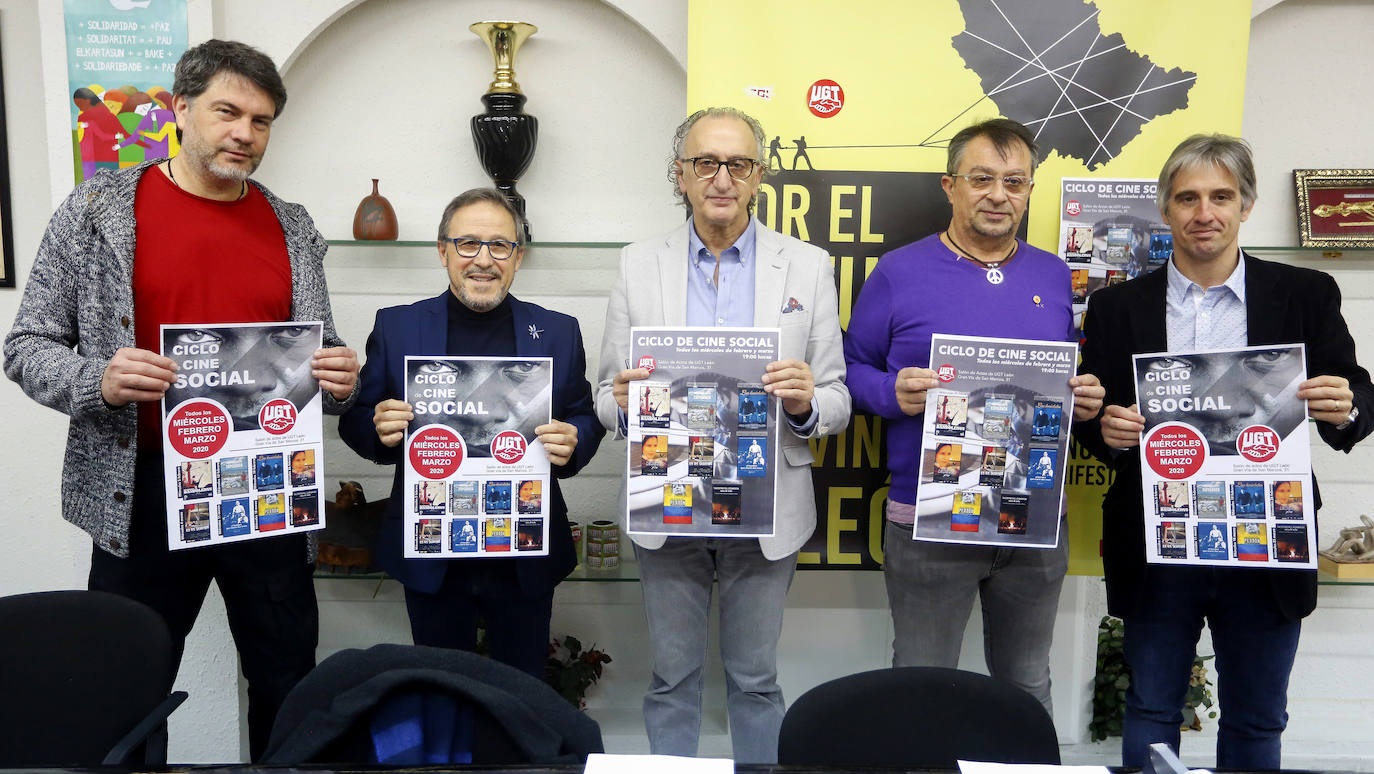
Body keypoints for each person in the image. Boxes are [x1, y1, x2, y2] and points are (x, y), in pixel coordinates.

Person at [4, 40, 360, 760]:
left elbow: (318, 352)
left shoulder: (292, 225)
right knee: (127, 685)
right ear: (180, 109)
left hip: (265, 486)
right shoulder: (96, 211)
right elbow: (25, 345)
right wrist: (95, 380)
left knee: (288, 678)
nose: (244, 135)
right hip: (137, 491)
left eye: (261, 122)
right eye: (228, 112)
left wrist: (337, 380)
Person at [1075, 133, 1374, 768]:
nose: (1203, 212)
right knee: (1152, 711)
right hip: (1158, 542)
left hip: (1266, 540)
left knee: (1258, 720)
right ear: (1164, 209)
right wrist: (1105, 428)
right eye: (1187, 197)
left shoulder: (1305, 293)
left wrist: (1345, 406)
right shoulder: (1114, 307)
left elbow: (1356, 389)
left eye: (1220, 196)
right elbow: (1091, 415)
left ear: (1246, 205)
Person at [595, 107, 850, 763]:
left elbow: (837, 398)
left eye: (737, 164)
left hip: (766, 507)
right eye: (706, 163)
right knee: (672, 680)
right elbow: (602, 397)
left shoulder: (808, 266)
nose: (721, 179)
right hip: (668, 504)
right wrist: (622, 405)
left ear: (758, 176)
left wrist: (802, 405)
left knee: (756, 682)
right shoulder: (636, 265)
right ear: (681, 175)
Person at [843, 118, 1104, 715]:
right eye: (982, 178)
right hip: (930, 520)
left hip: (1034, 517)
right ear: (950, 186)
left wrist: (1082, 399)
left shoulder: (1053, 274)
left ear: (1030, 190)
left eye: (1015, 182)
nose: (998, 195)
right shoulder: (898, 272)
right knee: (922, 691)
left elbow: (1062, 377)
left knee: (1026, 688)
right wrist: (891, 391)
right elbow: (849, 370)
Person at [339, 187, 604, 678]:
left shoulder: (559, 331)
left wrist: (575, 440)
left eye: (499, 246)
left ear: (517, 257)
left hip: (524, 551)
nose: (483, 259)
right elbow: (355, 418)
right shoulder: (398, 328)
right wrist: (379, 428)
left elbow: (584, 416)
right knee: (441, 691)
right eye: (468, 244)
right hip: (432, 547)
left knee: (521, 694)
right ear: (443, 251)